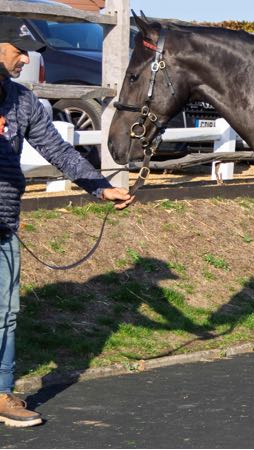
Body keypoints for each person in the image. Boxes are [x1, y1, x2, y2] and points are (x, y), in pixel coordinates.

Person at [0, 15, 134, 427]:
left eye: (30, 52)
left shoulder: (22, 101)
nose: (27, 59)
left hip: (5, 223)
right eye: (19, 50)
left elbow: (58, 151)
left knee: (6, 313)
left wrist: (100, 187)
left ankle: (2, 393)